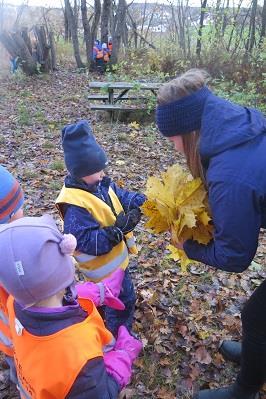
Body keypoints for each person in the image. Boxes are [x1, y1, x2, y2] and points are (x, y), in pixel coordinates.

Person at [155, 69, 266, 399]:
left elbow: (235, 257)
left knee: (257, 316)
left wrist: (188, 246)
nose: (172, 146)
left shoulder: (230, 174)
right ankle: (256, 353)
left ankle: (244, 391)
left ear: (188, 131)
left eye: (172, 137)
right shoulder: (237, 124)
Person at [0, 215, 142, 398]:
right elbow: (102, 393)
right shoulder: (77, 355)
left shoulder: (14, 304)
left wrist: (98, 291)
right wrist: (122, 357)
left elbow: (48, 297)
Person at [56, 120, 146, 336]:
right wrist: (114, 233)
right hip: (102, 272)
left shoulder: (100, 184)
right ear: (82, 172)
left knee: (120, 296)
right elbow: (84, 241)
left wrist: (138, 201)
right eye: (98, 170)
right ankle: (116, 335)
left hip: (117, 263)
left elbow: (120, 196)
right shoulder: (75, 205)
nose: (103, 174)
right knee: (121, 301)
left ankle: (111, 319)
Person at [0, 165, 24, 384]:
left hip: (7, 334)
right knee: (19, 364)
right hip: (15, 334)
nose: (23, 213)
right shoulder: (8, 258)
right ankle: (20, 382)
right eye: (18, 209)